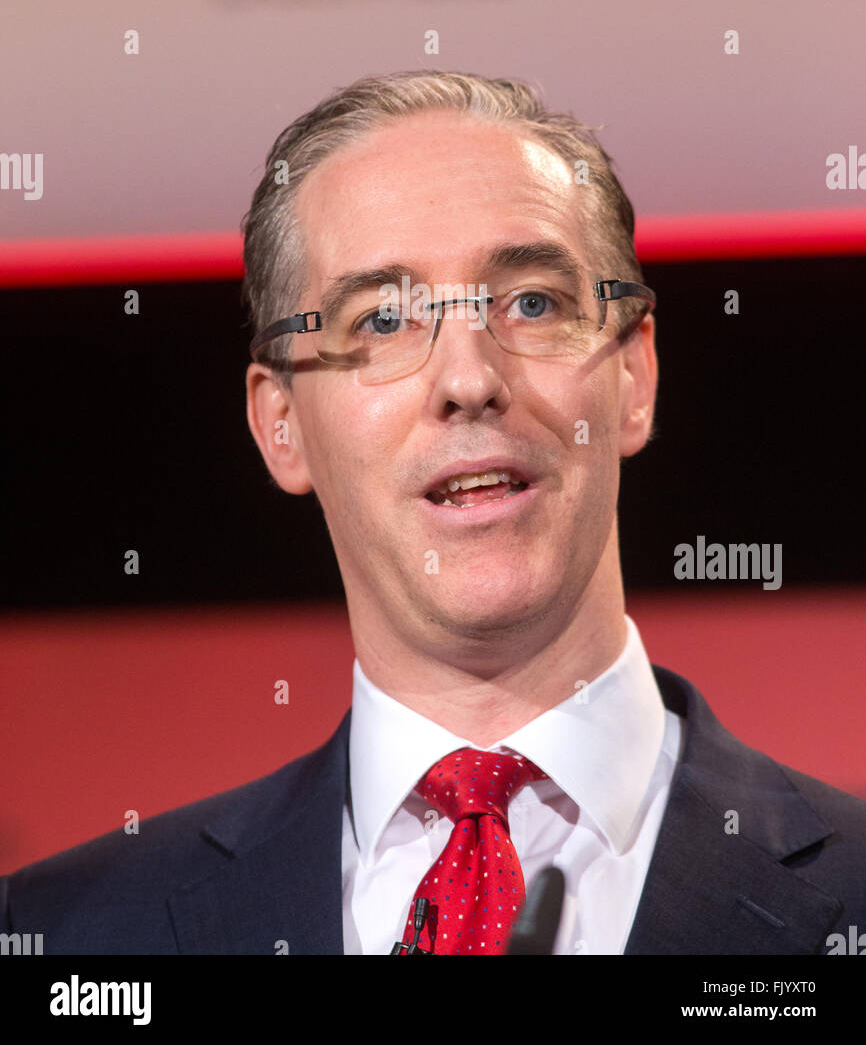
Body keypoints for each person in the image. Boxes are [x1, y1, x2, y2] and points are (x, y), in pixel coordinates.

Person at [3, 70, 864, 955]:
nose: (469, 381)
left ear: (634, 376)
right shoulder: (69, 935)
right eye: (382, 321)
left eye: (533, 303)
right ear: (281, 424)